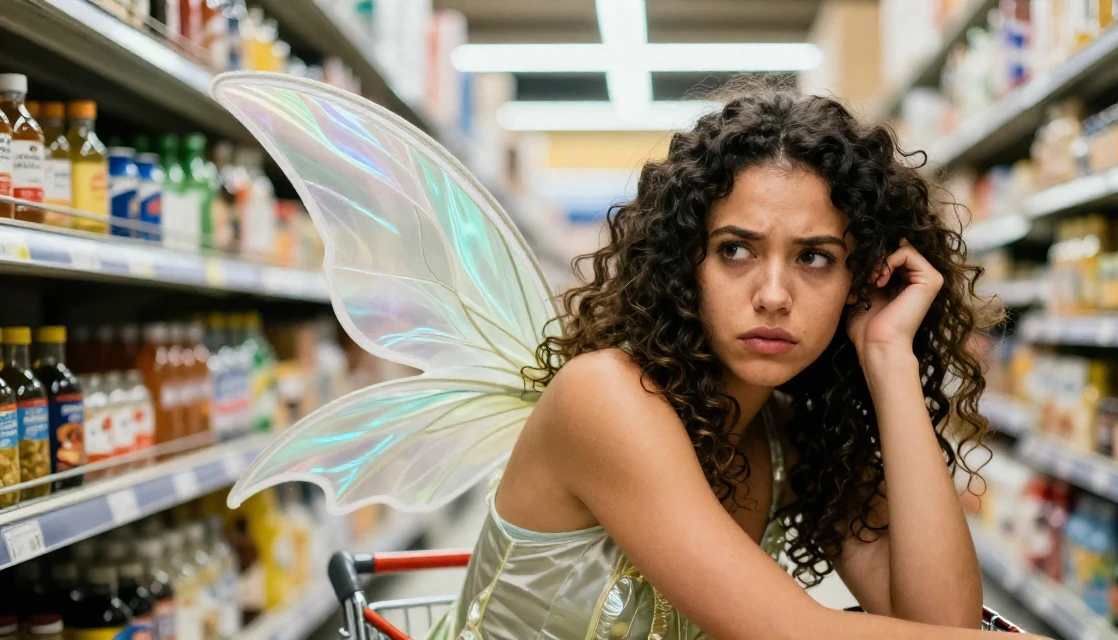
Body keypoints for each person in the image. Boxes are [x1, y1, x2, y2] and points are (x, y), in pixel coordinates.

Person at [212, 74, 1032, 639]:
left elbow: (941, 622)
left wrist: (889, 360)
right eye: (737, 251)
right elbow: (793, 630)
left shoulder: (791, 432)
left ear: (860, 281)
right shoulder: (603, 398)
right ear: (686, 264)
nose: (774, 294)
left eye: (816, 257)